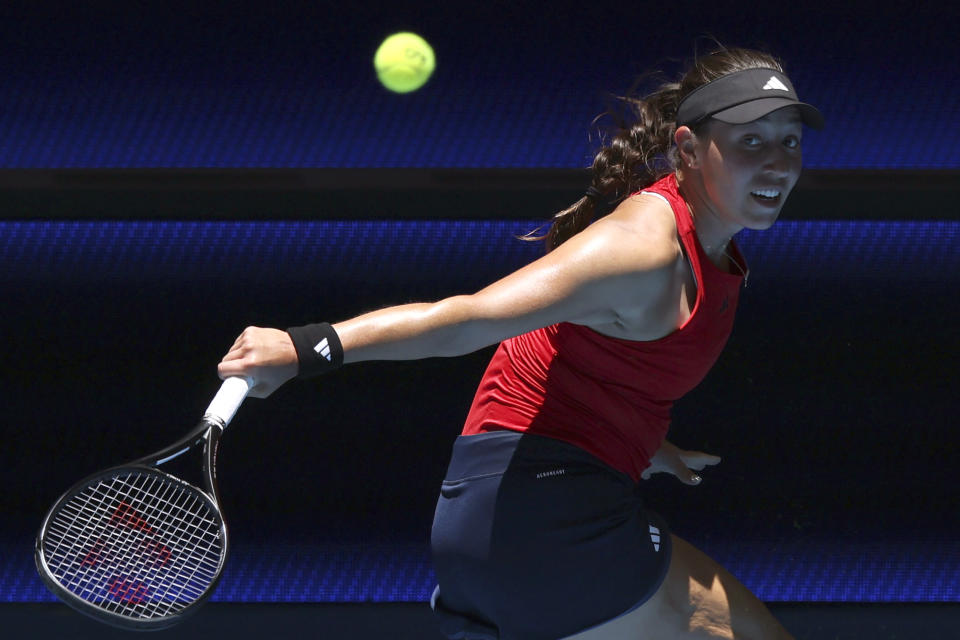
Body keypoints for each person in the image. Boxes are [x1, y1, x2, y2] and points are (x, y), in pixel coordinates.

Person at [218, 46, 823, 640]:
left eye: (789, 141)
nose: (777, 162)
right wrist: (305, 347)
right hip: (540, 517)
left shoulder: (712, 251)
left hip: (507, 516)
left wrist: (644, 445)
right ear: (688, 148)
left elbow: (596, 370)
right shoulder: (642, 249)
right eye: (751, 141)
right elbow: (464, 319)